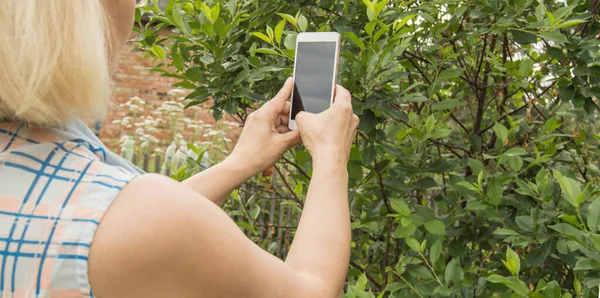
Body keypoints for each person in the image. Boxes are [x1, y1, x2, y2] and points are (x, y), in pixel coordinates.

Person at [0, 0, 359, 297]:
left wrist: (238, 163)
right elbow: (309, 291)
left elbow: (123, 224)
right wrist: (331, 157)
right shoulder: (138, 220)